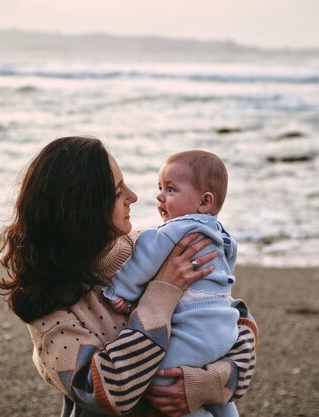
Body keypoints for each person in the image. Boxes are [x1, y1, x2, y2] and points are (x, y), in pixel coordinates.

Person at [0, 136, 258, 417]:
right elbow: (106, 391)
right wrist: (163, 290)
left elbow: (234, 321)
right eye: (119, 191)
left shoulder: (153, 245)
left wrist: (209, 384)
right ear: (84, 206)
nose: (133, 196)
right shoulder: (48, 305)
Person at [103, 151, 240, 417]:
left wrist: (120, 291)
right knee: (219, 397)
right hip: (225, 327)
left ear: (204, 202)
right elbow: (229, 263)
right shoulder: (221, 235)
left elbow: (143, 259)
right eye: (160, 188)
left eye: (171, 189)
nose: (159, 196)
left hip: (193, 329)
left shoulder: (173, 231)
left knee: (163, 380)